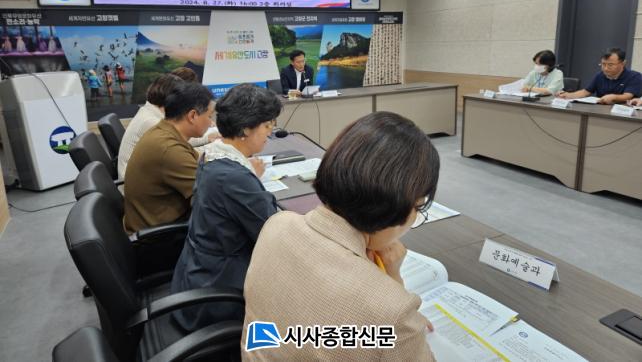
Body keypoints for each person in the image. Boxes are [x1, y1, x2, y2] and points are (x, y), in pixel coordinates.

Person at [242, 111, 440, 361]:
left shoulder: (277, 225)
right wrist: (394, 280)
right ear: (399, 205)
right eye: (419, 206)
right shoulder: (392, 311)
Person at [171, 83, 283, 331]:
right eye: (267, 126)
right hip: (218, 294)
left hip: (197, 274)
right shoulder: (233, 177)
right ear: (246, 128)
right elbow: (273, 234)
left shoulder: (212, 155)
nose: (270, 133)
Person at [123, 82, 214, 234]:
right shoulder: (169, 149)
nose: (211, 122)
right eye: (209, 116)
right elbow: (210, 195)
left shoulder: (164, 131)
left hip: (152, 222)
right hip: (160, 238)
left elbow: (195, 159)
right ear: (192, 116)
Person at [117, 68, 219, 179]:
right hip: (133, 181)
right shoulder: (152, 122)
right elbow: (179, 150)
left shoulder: (149, 113)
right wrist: (209, 142)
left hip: (142, 176)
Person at [558, 48, 642, 104]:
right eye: (603, 64)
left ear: (623, 63)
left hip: (623, 113)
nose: (605, 68)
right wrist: (568, 95)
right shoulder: (600, 75)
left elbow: (627, 96)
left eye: (610, 65)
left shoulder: (634, 76)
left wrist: (613, 97)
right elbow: (585, 92)